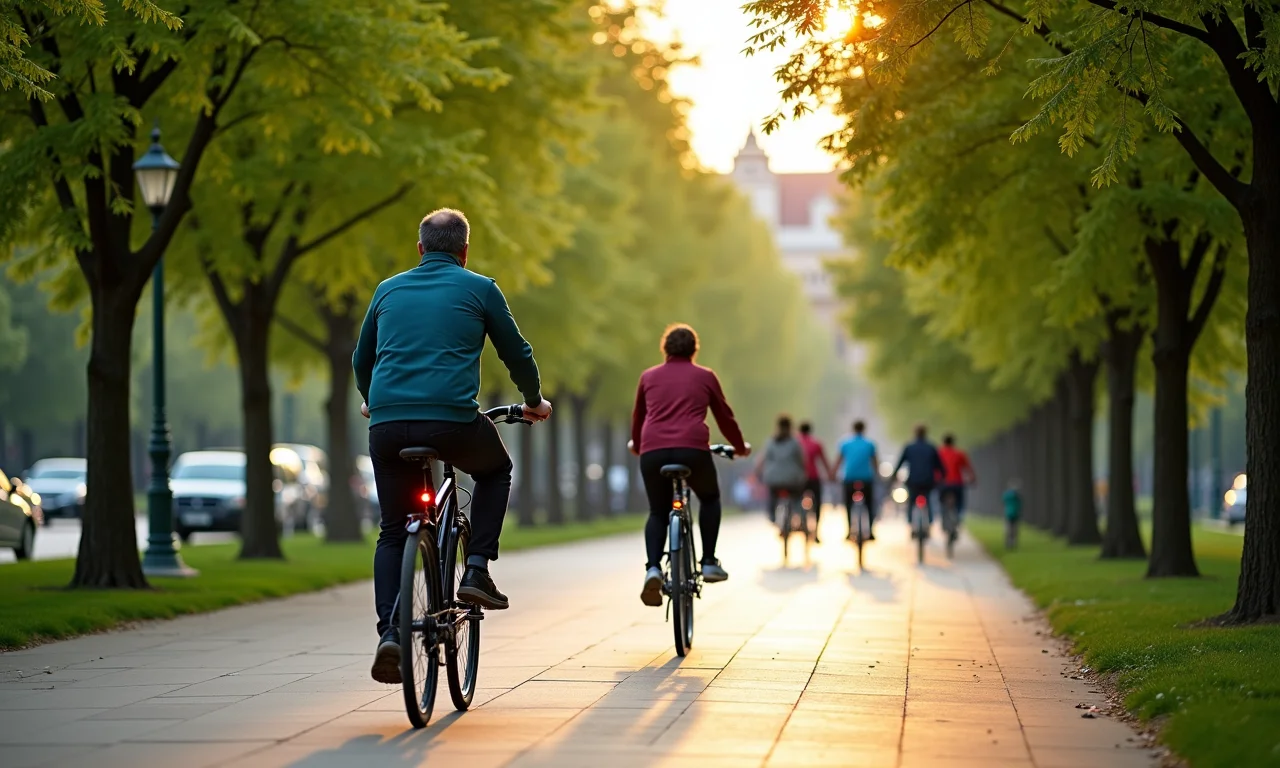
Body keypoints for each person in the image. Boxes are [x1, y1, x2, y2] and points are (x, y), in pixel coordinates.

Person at [353, 208, 553, 685]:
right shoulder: (481, 287)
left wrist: (370, 401)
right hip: (451, 420)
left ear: (420, 249)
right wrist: (533, 401)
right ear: (465, 251)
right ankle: (477, 569)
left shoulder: (387, 289)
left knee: (393, 530)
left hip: (387, 425)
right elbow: (516, 351)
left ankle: (391, 636)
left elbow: (363, 358)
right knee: (494, 470)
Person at [631, 324, 750, 607]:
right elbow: (724, 417)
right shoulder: (705, 376)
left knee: (658, 511)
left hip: (653, 451)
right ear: (694, 349)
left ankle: (653, 568)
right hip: (693, 450)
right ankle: (708, 561)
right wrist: (741, 447)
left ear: (665, 348)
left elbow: (638, 417)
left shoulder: (648, 376)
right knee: (709, 498)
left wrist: (637, 445)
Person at [757, 415, 808, 532]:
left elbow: (762, 460)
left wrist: (758, 473)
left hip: (773, 479)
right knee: (797, 497)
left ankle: (773, 516)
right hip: (792, 479)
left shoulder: (770, 442)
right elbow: (802, 460)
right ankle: (800, 516)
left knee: (772, 496)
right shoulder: (795, 442)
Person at [894, 424, 944, 536]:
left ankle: (911, 523)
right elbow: (939, 466)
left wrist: (894, 476)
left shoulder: (909, 447)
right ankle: (929, 523)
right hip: (928, 481)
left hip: (913, 481)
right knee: (929, 501)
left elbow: (900, 463)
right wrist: (942, 477)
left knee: (911, 502)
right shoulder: (931, 447)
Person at [836, 420, 879, 540]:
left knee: (848, 505)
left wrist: (833, 474)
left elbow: (839, 461)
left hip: (849, 478)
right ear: (864, 429)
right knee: (869, 505)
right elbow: (874, 462)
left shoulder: (845, 444)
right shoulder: (870, 444)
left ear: (853, 429)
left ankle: (849, 530)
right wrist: (878, 475)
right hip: (866, 478)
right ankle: (870, 531)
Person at [796, 422, 835, 543]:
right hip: (814, 477)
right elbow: (823, 461)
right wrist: (830, 474)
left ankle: (800, 522)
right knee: (817, 503)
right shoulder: (816, 443)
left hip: (799, 478)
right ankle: (816, 532)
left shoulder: (795, 443)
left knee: (797, 500)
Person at [937, 434, 977, 520]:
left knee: (940, 500)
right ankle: (959, 516)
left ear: (943, 442)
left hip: (943, 483)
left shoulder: (939, 453)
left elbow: (934, 468)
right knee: (960, 501)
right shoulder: (959, 454)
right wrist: (972, 478)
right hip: (957, 482)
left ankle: (943, 515)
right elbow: (968, 468)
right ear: (953, 443)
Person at [1003, 479, 1023, 550]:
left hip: (1010, 514)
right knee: (1012, 529)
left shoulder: (1008, 495)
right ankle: (1011, 542)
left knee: (1011, 529)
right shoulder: (1016, 496)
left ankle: (1010, 542)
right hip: (1011, 514)